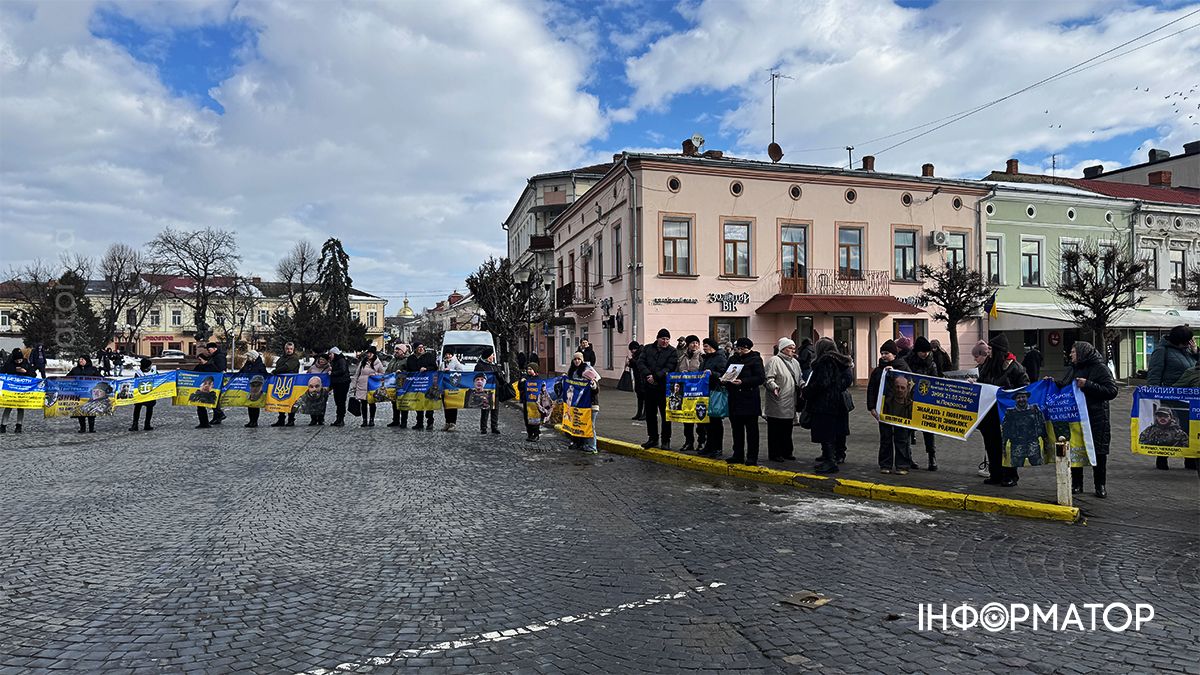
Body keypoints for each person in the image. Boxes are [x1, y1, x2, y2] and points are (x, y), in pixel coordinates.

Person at [1056, 341, 1118, 498]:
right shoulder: (1073, 369)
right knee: (1077, 449)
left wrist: (1088, 384)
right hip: (1077, 418)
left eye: (1073, 352)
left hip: (1096, 417)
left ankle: (1100, 485)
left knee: (1099, 452)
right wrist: (1054, 384)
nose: (1070, 354)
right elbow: (1065, 386)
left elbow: (1111, 391)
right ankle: (1077, 484)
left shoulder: (1100, 368)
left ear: (1082, 353)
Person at [977, 334, 1030, 487]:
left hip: (1007, 414)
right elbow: (982, 382)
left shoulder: (1015, 367)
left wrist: (1008, 393)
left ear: (999, 351)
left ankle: (1010, 475)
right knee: (992, 445)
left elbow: (1024, 388)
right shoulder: (987, 365)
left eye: (991, 349)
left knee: (1008, 446)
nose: (989, 352)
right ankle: (995, 474)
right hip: (989, 414)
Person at [1147, 325, 1198, 470]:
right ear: (1180, 341)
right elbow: (1154, 374)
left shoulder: (1188, 351)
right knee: (1168, 427)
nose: (1189, 343)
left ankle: (1190, 459)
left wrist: (1196, 352)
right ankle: (1162, 458)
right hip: (1170, 397)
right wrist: (1154, 395)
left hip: (1189, 398)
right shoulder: (1162, 351)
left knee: (1189, 428)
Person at [805, 338, 854, 474]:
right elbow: (847, 379)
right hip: (837, 402)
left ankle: (830, 461)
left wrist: (807, 391)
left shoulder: (825, 361)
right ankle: (832, 457)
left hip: (825, 403)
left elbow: (822, 383)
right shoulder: (841, 360)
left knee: (825, 432)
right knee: (835, 431)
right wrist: (838, 388)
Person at [868, 339, 911, 474]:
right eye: (882, 353)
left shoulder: (903, 367)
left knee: (901, 438)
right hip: (884, 409)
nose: (884, 356)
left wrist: (894, 373)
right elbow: (872, 390)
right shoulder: (878, 371)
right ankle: (885, 464)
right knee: (885, 438)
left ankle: (902, 465)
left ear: (894, 354)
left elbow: (909, 383)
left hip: (901, 409)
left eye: (886, 353)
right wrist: (871, 407)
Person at [635, 329, 679, 450]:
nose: (665, 341)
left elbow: (670, 367)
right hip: (649, 387)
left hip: (663, 387)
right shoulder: (648, 348)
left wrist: (655, 377)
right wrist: (648, 375)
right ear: (657, 338)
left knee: (665, 415)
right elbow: (640, 362)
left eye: (667, 339)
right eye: (663, 339)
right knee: (650, 414)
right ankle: (652, 438)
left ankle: (666, 440)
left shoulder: (672, 351)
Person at [724, 337, 765, 465]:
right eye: (739, 349)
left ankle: (752, 456)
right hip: (735, 399)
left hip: (749, 399)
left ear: (749, 348)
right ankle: (738, 454)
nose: (740, 351)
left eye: (743, 349)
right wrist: (725, 380)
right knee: (737, 430)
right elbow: (727, 373)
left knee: (752, 431)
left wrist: (743, 381)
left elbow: (760, 378)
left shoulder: (755, 359)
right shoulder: (733, 359)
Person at [764, 337, 802, 463]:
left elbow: (799, 378)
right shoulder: (774, 361)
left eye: (793, 347)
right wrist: (774, 387)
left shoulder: (795, 362)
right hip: (778, 399)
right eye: (790, 347)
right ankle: (775, 453)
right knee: (776, 428)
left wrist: (803, 385)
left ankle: (787, 452)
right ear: (783, 349)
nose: (793, 350)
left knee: (787, 428)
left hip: (791, 400)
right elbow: (768, 378)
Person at [907, 336, 941, 470]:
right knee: (907, 430)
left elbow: (935, 380)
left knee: (928, 430)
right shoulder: (908, 361)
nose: (925, 354)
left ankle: (932, 457)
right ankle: (907, 457)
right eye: (922, 352)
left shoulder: (931, 363)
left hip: (926, 401)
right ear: (917, 351)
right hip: (910, 400)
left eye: (927, 352)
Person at [698, 338, 728, 458]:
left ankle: (717, 448)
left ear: (712, 347)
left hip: (716, 392)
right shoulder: (706, 358)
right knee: (707, 422)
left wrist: (712, 374)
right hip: (706, 392)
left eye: (705, 346)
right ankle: (709, 446)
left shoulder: (720, 358)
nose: (704, 348)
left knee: (716, 422)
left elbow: (723, 374)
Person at [565, 352, 600, 452]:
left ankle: (592, 446)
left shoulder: (587, 370)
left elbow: (596, 389)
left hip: (591, 404)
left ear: (582, 360)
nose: (577, 361)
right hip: (577, 404)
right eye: (575, 359)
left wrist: (593, 384)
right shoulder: (571, 371)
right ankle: (580, 443)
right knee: (578, 424)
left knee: (590, 426)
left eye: (579, 359)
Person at [677, 335, 704, 453]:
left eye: (696, 342)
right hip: (685, 391)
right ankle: (689, 441)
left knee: (700, 417)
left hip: (699, 391)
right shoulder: (682, 357)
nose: (695, 345)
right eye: (692, 343)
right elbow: (676, 371)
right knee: (687, 418)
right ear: (687, 344)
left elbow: (704, 372)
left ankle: (702, 442)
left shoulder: (702, 356)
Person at [66, 356, 103, 433]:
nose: (80, 361)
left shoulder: (93, 369)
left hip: (91, 394)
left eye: (82, 359)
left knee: (91, 410)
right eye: (79, 359)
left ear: (87, 361)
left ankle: (91, 428)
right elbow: (67, 378)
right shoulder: (75, 370)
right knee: (80, 411)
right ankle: (82, 428)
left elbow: (101, 378)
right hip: (79, 394)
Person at [406, 343, 438, 430]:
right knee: (418, 403)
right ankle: (419, 423)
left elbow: (434, 367)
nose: (420, 349)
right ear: (415, 349)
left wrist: (426, 369)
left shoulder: (429, 356)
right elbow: (408, 369)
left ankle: (430, 422)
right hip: (417, 383)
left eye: (422, 347)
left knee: (428, 402)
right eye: (418, 347)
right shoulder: (411, 358)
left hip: (427, 382)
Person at [352, 346, 385, 427]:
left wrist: (374, 375)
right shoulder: (363, 362)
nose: (369, 354)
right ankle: (364, 420)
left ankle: (371, 420)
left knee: (372, 403)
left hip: (372, 385)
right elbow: (357, 374)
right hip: (362, 385)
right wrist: (354, 385)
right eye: (368, 353)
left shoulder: (377, 362)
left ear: (374, 354)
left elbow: (382, 374)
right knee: (363, 403)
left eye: (370, 353)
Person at [1, 349, 32, 434]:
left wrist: (25, 372)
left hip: (22, 392)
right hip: (10, 391)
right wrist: (15, 370)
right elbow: (2, 371)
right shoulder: (9, 364)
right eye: (17, 360)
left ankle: (19, 425)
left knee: (21, 408)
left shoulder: (26, 363)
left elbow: (33, 374)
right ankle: (3, 425)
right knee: (8, 407)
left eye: (20, 360)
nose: (19, 361)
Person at [271, 342, 302, 427]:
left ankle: (291, 420)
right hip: (281, 382)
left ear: (293, 349)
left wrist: (276, 371)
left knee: (290, 402)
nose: (289, 350)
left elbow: (287, 367)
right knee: (281, 400)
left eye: (291, 349)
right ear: (285, 349)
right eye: (287, 349)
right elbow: (279, 366)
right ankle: (281, 419)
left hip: (291, 383)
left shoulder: (294, 358)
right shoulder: (282, 358)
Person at [474, 347, 501, 434]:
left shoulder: (494, 365)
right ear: (488, 356)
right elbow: (477, 376)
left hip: (495, 390)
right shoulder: (480, 365)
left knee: (495, 409)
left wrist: (499, 375)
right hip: (485, 391)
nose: (493, 356)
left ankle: (494, 426)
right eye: (492, 355)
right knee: (485, 409)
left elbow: (500, 377)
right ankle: (483, 427)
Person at [191, 352, 221, 429]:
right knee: (200, 407)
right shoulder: (199, 366)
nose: (199, 361)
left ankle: (207, 422)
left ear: (205, 359)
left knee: (206, 405)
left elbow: (217, 377)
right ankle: (204, 422)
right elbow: (191, 373)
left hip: (208, 391)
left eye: (200, 359)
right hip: (201, 390)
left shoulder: (212, 367)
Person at [239, 350, 268, 428]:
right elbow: (242, 371)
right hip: (249, 386)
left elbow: (265, 375)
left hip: (257, 387)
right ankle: (251, 420)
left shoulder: (260, 365)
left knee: (255, 404)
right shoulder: (247, 364)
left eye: (249, 356)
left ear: (253, 357)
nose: (247, 358)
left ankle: (255, 421)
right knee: (250, 404)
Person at [129, 357, 158, 432]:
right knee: (146, 409)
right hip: (147, 393)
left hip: (143, 393)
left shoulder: (139, 373)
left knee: (139, 409)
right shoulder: (152, 372)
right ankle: (143, 425)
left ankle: (138, 425)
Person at [385, 343, 410, 427]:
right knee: (394, 403)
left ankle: (404, 421)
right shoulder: (393, 360)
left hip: (403, 384)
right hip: (393, 384)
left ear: (403, 351)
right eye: (395, 349)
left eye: (398, 349)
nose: (396, 351)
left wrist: (402, 373)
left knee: (403, 403)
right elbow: (388, 369)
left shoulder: (407, 360)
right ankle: (395, 420)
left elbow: (410, 371)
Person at [519, 353, 542, 442]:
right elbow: (520, 388)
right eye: (528, 369)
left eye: (531, 369)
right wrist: (521, 382)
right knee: (527, 418)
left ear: (535, 370)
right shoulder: (525, 378)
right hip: (526, 401)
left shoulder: (538, 379)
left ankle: (536, 434)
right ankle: (529, 433)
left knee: (535, 418)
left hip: (535, 402)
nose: (529, 371)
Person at [204, 342, 228, 425]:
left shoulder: (219, 357)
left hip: (217, 380)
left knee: (214, 398)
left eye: (209, 349)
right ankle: (217, 417)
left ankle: (220, 414)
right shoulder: (214, 356)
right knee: (214, 398)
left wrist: (209, 365)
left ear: (214, 348)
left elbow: (220, 368)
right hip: (214, 379)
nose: (208, 351)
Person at [328, 346, 351, 426]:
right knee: (338, 402)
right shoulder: (335, 361)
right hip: (337, 383)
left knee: (341, 402)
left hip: (342, 383)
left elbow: (342, 370)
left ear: (334, 353)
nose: (329, 356)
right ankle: (338, 419)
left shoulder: (341, 360)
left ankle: (341, 419)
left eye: (330, 354)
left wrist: (332, 373)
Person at [626, 342, 646, 421]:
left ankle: (645, 414)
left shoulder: (642, 354)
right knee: (639, 396)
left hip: (643, 378)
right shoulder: (636, 354)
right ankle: (639, 413)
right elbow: (634, 365)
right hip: (637, 378)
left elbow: (639, 364)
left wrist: (631, 361)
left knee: (645, 397)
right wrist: (629, 363)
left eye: (632, 350)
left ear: (635, 348)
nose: (631, 352)